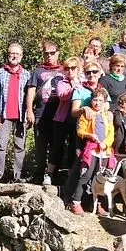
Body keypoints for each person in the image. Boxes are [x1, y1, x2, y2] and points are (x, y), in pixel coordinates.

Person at [66, 87, 114, 215]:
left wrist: (106, 143)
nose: (97, 103)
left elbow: (111, 133)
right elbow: (80, 131)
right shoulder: (86, 115)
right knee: (86, 175)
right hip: (91, 149)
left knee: (100, 177)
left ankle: (99, 204)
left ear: (105, 102)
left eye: (100, 100)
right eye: (95, 100)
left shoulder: (107, 116)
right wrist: (89, 135)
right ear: (91, 101)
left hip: (104, 150)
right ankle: (75, 202)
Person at [0, 43, 30, 183]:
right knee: (1, 144)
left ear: (21, 56)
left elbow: (30, 96)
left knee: (20, 146)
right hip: (4, 115)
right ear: (8, 55)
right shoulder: (0, 72)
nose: (14, 56)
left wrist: (29, 114)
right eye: (12, 53)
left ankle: (19, 176)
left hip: (21, 115)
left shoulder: (26, 74)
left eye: (17, 54)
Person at [25, 41, 64, 185]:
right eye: (46, 53)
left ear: (58, 53)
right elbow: (31, 92)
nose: (49, 56)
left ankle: (53, 174)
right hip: (41, 112)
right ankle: (40, 173)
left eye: (52, 53)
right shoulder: (37, 71)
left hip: (59, 113)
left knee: (56, 145)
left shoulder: (64, 69)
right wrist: (30, 110)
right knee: (40, 145)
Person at [48, 56, 83, 185]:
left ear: (78, 69)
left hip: (76, 120)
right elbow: (62, 96)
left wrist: (77, 85)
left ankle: (70, 174)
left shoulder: (83, 82)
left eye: (73, 68)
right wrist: (74, 87)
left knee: (74, 148)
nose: (70, 71)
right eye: (67, 68)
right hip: (61, 119)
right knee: (57, 146)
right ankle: (50, 173)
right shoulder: (61, 82)